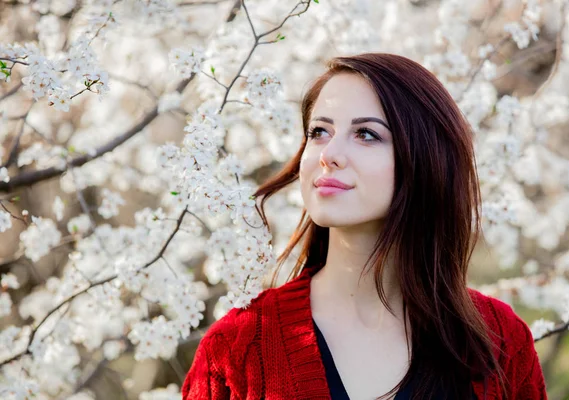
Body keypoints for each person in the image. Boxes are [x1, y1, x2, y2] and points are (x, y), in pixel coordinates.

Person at [181, 53, 548, 400]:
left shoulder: (499, 341)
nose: (329, 155)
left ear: (426, 160)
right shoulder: (237, 346)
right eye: (318, 132)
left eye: (366, 134)